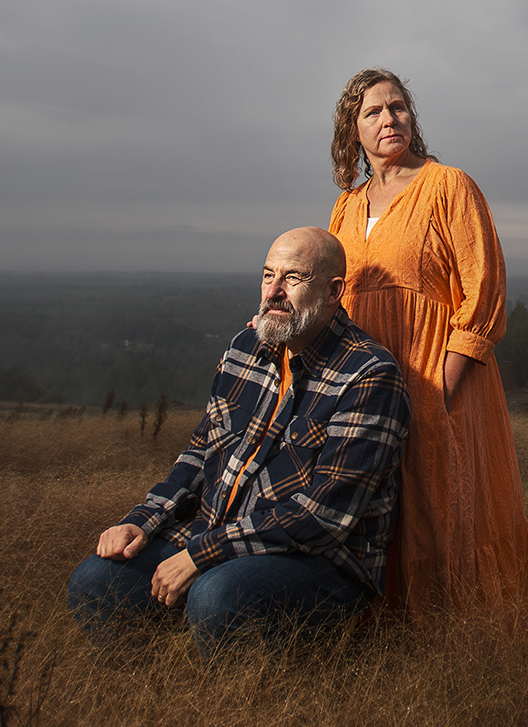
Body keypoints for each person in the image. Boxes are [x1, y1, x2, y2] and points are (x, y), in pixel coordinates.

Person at [66, 228, 410, 653]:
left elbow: (323, 518)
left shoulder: (369, 375)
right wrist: (142, 519)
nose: (275, 291)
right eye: (268, 275)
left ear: (332, 291)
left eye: (293, 278)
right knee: (94, 580)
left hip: (319, 561)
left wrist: (201, 556)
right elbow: (199, 454)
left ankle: (239, 683)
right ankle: (150, 677)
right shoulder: (245, 349)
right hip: (216, 535)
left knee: (216, 596)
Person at [326, 68, 528, 634]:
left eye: (398, 107)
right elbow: (334, 299)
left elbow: (484, 290)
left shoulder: (449, 186)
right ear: (353, 131)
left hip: (437, 378)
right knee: (376, 506)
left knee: (443, 507)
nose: (389, 119)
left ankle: (464, 644)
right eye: (373, 112)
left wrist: (440, 386)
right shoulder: (345, 207)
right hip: (365, 388)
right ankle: (387, 642)